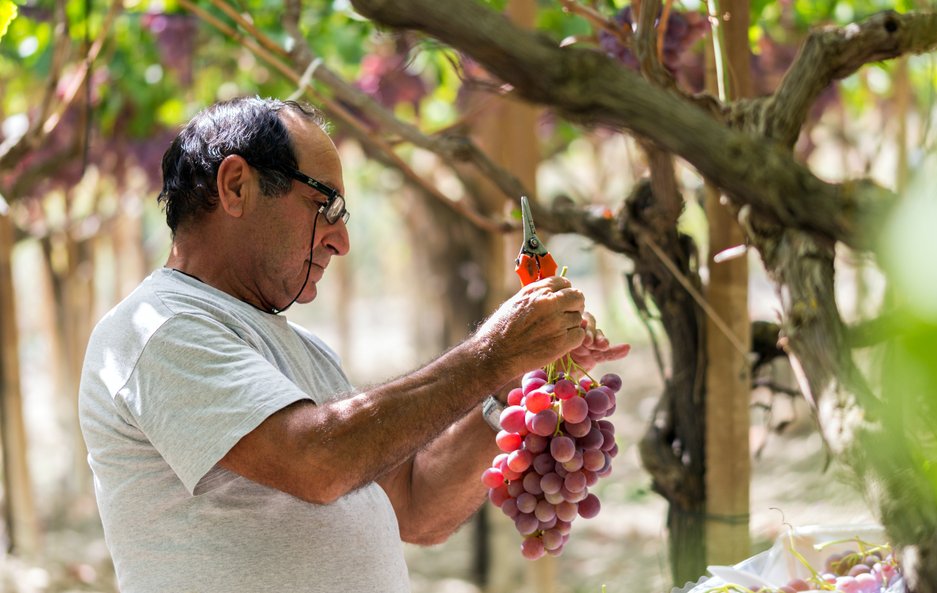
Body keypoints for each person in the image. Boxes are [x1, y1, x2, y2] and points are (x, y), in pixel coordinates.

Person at [78, 96, 629, 593]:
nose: (341, 240)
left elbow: (417, 508)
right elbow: (317, 462)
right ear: (236, 186)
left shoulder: (306, 353)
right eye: (327, 206)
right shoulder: (157, 331)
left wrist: (508, 387)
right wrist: (489, 355)